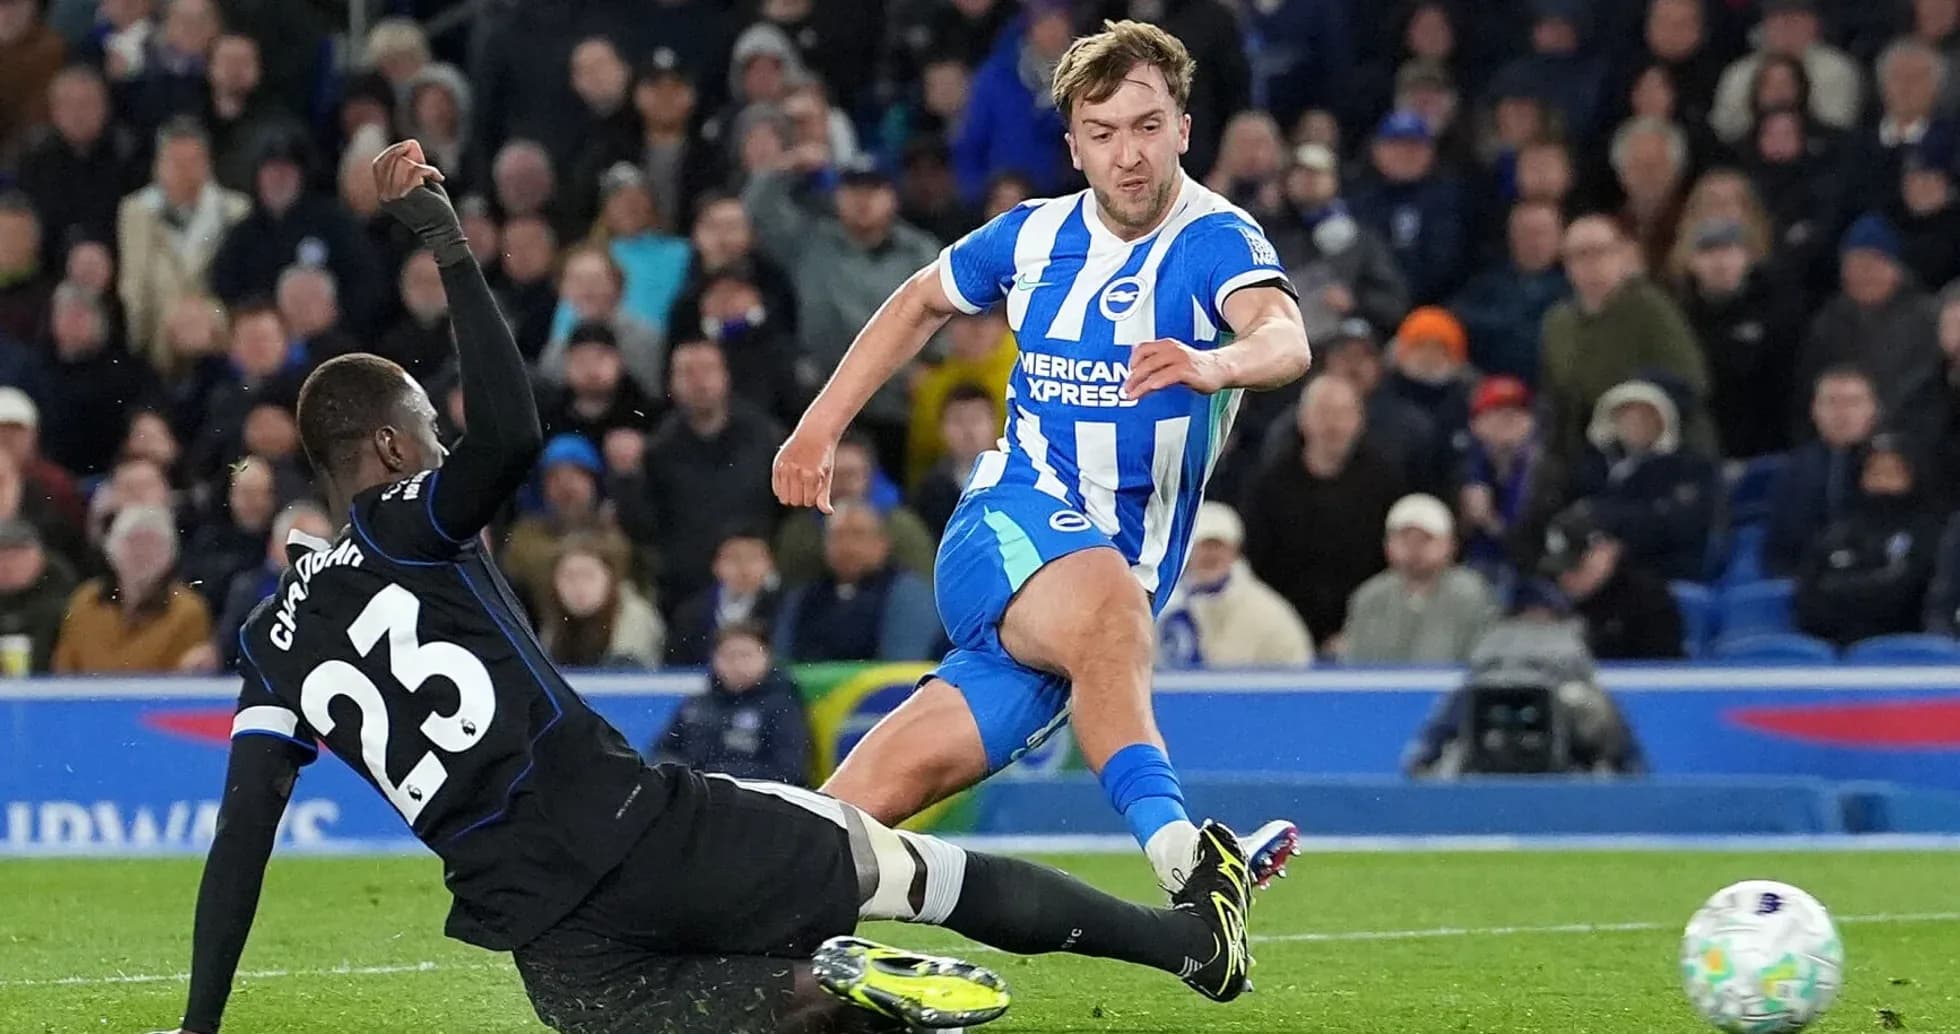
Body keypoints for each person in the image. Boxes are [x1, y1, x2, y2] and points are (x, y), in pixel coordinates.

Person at [155, 138, 1256, 1034]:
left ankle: (822, 988)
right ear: (391, 455)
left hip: (552, 950)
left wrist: (200, 1026)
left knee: (760, 1007)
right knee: (915, 871)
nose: (442, 449)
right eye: (426, 434)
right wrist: (447, 243)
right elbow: (511, 428)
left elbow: (238, 842)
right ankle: (1186, 944)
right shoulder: (409, 519)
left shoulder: (270, 641)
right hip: (647, 833)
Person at [773, 21, 1307, 893]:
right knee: (1110, 616)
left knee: (845, 826)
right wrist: (819, 427)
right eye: (1102, 134)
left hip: (1097, 594)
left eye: (1145, 126)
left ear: (1181, 128)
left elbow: (1284, 337)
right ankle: (1187, 861)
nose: (1127, 155)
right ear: (1074, 146)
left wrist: (1218, 362)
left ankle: (734, 935)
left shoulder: (1218, 240)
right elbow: (919, 300)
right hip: (1010, 524)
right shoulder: (1030, 236)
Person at [1243, 375, 1406, 651]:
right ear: (1302, 419)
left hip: (1367, 626)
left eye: (1343, 414)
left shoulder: (1384, 481)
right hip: (1283, 627)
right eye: (1323, 413)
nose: (1333, 425)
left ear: (1359, 420)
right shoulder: (1271, 484)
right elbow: (1256, 560)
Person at [1539, 215, 1710, 465]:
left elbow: (1690, 380)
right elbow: (1554, 397)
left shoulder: (1650, 308)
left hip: (1662, 450)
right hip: (1586, 454)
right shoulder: (1557, 323)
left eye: (1600, 252)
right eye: (1579, 255)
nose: (1591, 264)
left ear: (1620, 255)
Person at [1796, 214, 1949, 449]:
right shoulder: (1828, 321)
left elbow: (1928, 385)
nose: (1864, 273)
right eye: (1855, 264)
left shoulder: (1927, 318)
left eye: (1874, 263)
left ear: (1896, 267)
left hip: (1909, 444)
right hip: (1837, 444)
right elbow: (1809, 385)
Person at [1793, 436, 1941, 646]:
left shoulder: (1931, 534)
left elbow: (1906, 595)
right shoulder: (1836, 533)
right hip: (1834, 649)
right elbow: (1808, 601)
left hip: (1907, 653)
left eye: (1893, 473)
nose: (1883, 482)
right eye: (1875, 472)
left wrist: (1841, 588)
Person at [1677, 217, 1801, 459]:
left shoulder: (1777, 308)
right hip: (1705, 448)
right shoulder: (1680, 316)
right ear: (1692, 262)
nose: (1720, 262)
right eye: (1708, 252)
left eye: (1728, 250)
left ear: (1746, 257)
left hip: (1768, 448)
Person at [52, 504, 212, 674]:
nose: (142, 552)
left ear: (170, 554)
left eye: (153, 543)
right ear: (111, 548)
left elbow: (186, 680)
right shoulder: (85, 600)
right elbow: (64, 668)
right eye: (133, 541)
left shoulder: (189, 610)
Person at [773, 502, 941, 663]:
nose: (847, 547)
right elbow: (782, 661)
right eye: (837, 536)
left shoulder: (907, 593)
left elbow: (900, 668)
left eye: (858, 535)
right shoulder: (804, 597)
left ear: (882, 543)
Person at [1339, 493, 1497, 664]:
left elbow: (1482, 664)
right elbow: (1354, 666)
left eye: (1425, 539)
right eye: (1404, 539)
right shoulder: (1369, 598)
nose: (1414, 549)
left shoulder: (1471, 595)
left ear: (1451, 544)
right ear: (1387, 545)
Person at [651, 621, 813, 784]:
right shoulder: (697, 705)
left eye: (745, 655)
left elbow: (789, 770)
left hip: (754, 799)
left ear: (766, 657)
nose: (737, 664)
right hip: (697, 794)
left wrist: (717, 777)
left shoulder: (782, 705)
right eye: (728, 656)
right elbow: (663, 752)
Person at [1156, 501, 1313, 669]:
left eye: (1218, 546)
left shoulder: (1268, 614)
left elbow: (1297, 674)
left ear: (1235, 551)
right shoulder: (1163, 606)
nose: (1210, 555)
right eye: (1202, 546)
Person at [1765, 366, 1882, 575]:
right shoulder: (1795, 470)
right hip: (1808, 582)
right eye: (1831, 402)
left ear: (1873, 409)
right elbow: (1779, 547)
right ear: (1814, 410)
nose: (1842, 413)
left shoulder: (1894, 466)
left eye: (1853, 402)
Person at [1455, 375, 1565, 590]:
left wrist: (1491, 522)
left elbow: (1541, 540)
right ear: (1475, 424)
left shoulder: (1548, 473)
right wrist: (1466, 517)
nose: (1506, 420)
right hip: (1472, 569)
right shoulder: (1461, 468)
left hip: (1532, 574)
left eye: (1516, 412)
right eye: (1495, 412)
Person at [1538, 506, 1686, 661]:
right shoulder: (1551, 599)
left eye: (1575, 566)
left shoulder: (1648, 600)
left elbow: (1658, 673)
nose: (1565, 578)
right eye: (1558, 570)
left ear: (1606, 552)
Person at [1449, 200, 1569, 385]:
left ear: (1561, 236)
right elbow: (1456, 318)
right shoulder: (1486, 284)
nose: (1532, 241)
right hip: (1489, 389)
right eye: (1524, 233)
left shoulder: (1574, 286)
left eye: (1541, 233)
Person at [536, 534, 665, 669]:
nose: (579, 586)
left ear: (610, 578)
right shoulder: (553, 622)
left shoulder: (635, 616)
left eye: (588, 575)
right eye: (569, 576)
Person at [666, 527, 784, 667]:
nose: (744, 568)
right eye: (733, 558)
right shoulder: (691, 613)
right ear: (715, 565)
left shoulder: (785, 608)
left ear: (770, 564)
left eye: (753, 558)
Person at [0, 518, 77, 673]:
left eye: (17, 554)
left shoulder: (66, 600)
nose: (8, 564)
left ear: (39, 556)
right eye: (2, 555)